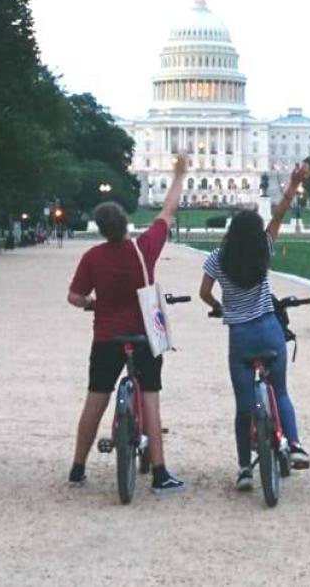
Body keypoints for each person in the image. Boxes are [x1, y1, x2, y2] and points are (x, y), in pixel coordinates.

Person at [65, 153, 192, 494]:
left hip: (107, 336)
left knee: (96, 399)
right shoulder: (143, 248)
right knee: (150, 397)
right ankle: (161, 471)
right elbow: (167, 212)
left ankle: (78, 466)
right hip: (144, 335)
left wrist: (92, 303)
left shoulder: (92, 257)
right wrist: (179, 175)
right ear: (125, 223)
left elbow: (75, 297)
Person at [199, 163, 310, 491]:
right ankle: (294, 444)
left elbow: (204, 293)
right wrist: (292, 185)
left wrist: (220, 307)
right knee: (280, 391)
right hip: (268, 329)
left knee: (244, 405)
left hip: (241, 336)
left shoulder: (217, 258)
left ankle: (244, 468)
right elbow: (278, 216)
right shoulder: (263, 249)